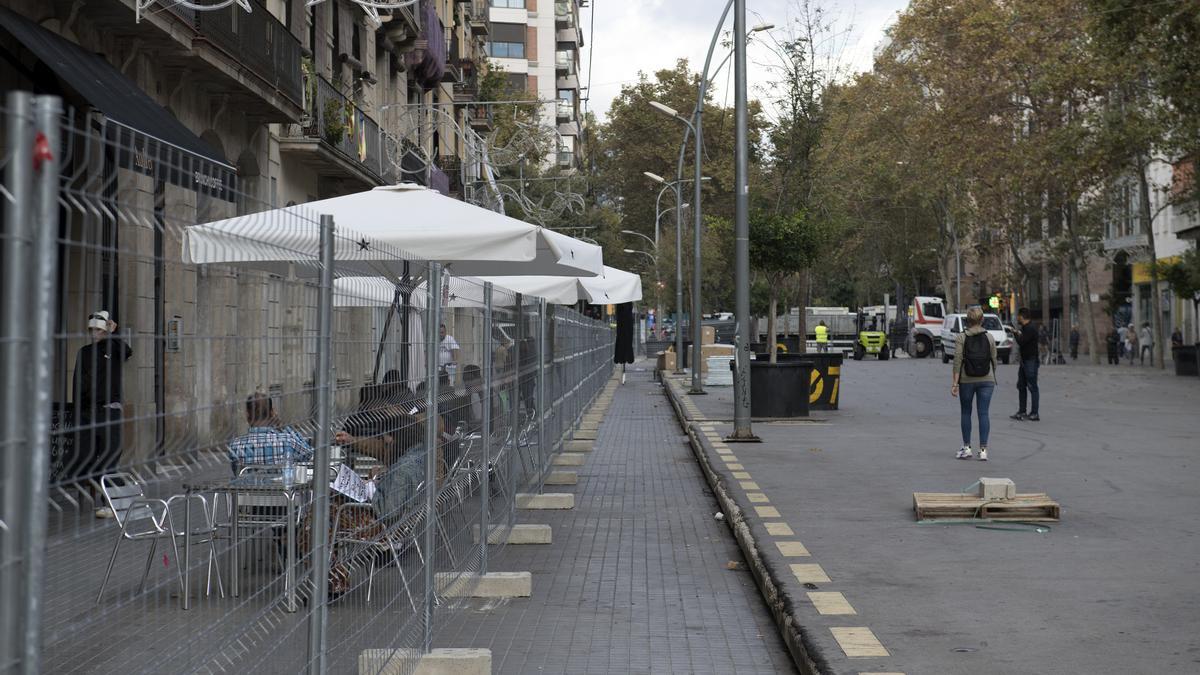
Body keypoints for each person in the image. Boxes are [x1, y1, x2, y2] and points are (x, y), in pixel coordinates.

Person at [71, 311, 133, 518]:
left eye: (99, 330)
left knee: (110, 456)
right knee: (88, 457)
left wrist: (113, 334)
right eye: (92, 330)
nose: (95, 333)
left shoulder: (113, 349)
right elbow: (77, 382)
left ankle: (115, 501)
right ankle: (109, 498)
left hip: (109, 411)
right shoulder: (85, 352)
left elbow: (126, 352)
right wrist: (78, 411)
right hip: (89, 412)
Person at [226, 392, 314, 474]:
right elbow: (308, 455)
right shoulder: (288, 441)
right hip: (282, 489)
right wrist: (282, 426)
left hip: (248, 490)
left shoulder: (235, 446)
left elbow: (237, 473)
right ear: (272, 413)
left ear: (247, 415)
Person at [952, 307, 997, 461]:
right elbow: (994, 359)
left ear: (967, 320)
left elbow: (957, 360)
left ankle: (967, 448)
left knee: (966, 412)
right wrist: (993, 375)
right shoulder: (989, 337)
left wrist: (955, 383)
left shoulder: (961, 337)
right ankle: (983, 450)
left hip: (967, 379)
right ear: (982, 320)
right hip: (987, 379)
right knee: (983, 413)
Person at [1011, 307, 1040, 422]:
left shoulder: (1030, 328)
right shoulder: (1026, 327)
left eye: (1018, 316)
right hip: (1025, 361)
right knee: (1021, 385)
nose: (1017, 318)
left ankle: (1034, 413)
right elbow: (1023, 338)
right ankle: (1022, 411)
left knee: (1032, 386)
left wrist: (1014, 333)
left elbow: (1022, 341)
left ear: (1022, 317)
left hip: (1030, 361)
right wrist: (1016, 331)